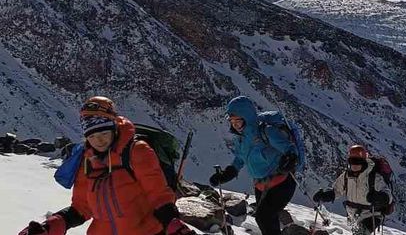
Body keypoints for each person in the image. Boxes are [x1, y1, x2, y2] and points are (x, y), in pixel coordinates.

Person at [18, 96, 194, 235]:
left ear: (114, 128)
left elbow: (159, 196)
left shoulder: (137, 151)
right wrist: (52, 225)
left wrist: (173, 224)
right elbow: (82, 207)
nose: (98, 141)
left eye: (103, 133)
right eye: (92, 136)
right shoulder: (88, 161)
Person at [209, 96, 298, 235]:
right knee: (267, 220)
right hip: (261, 185)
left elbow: (289, 149)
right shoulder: (241, 140)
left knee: (264, 218)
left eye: (237, 122)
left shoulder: (266, 132)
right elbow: (239, 159)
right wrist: (226, 174)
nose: (234, 126)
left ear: (247, 117)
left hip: (282, 182)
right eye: (232, 122)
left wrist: (290, 160)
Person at [312, 145, 392, 235]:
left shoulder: (373, 176)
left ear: (363, 162)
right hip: (353, 216)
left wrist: (381, 198)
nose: (354, 165)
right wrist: (326, 195)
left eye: (357, 162)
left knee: (360, 233)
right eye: (352, 161)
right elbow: (337, 190)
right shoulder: (346, 176)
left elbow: (388, 195)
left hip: (371, 215)